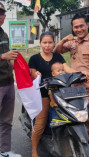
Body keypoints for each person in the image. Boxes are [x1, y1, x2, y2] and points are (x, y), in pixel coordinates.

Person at [54, 13, 89, 157]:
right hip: (74, 85)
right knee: (77, 114)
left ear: (87, 25)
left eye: (81, 26)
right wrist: (64, 39)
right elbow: (57, 50)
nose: (79, 29)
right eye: (76, 27)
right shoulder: (72, 42)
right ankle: (83, 139)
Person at [28, 32, 76, 157]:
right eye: (45, 42)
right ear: (40, 43)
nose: (47, 45)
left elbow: (68, 69)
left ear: (54, 43)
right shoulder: (34, 58)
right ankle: (34, 151)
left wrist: (82, 73)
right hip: (42, 95)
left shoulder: (58, 57)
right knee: (39, 126)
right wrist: (35, 73)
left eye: (50, 42)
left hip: (60, 93)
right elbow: (31, 73)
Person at [0, 2, 22, 157]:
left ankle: (4, 151)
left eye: (2, 13)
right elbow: (3, 57)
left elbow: (8, 59)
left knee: (6, 121)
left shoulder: (4, 34)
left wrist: (17, 66)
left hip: (8, 83)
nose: (1, 16)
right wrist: (3, 56)